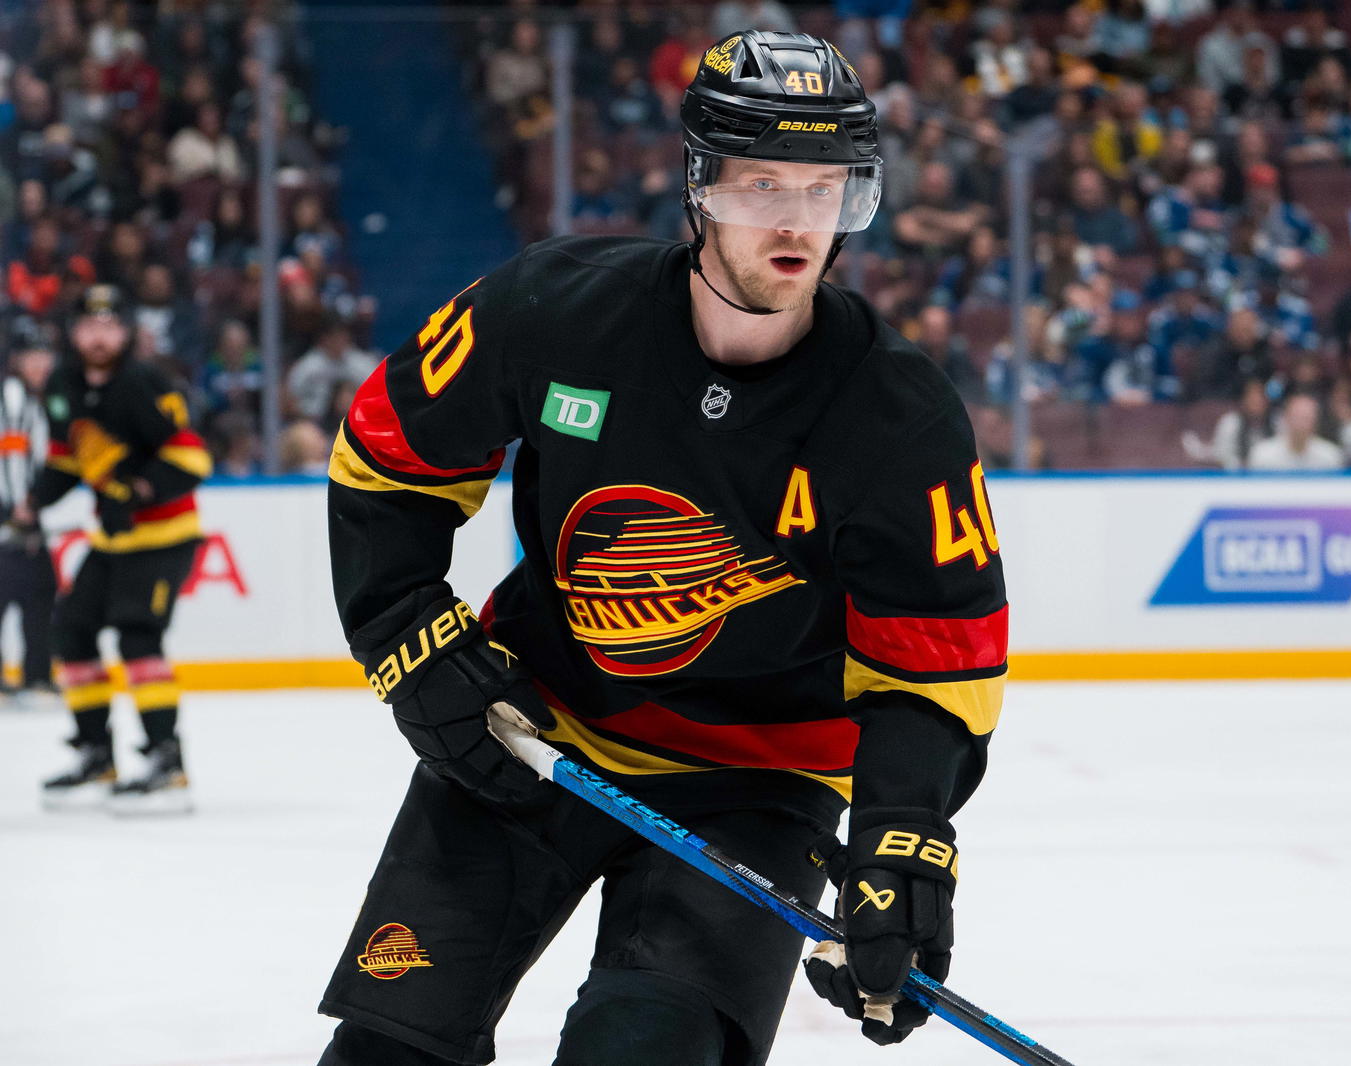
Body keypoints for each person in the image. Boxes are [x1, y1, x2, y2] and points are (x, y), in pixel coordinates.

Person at [316, 31, 1007, 1066]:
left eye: (823, 190)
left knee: (642, 1050)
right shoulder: (552, 310)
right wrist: (406, 630)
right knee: (386, 1055)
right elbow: (388, 457)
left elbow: (936, 662)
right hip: (526, 730)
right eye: (762, 183)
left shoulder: (897, 420)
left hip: (755, 782)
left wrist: (904, 841)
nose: (793, 221)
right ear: (698, 185)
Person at [13, 285, 211, 813]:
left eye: (109, 326)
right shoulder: (62, 384)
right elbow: (67, 457)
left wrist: (137, 492)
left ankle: (168, 764)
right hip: (112, 537)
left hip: (165, 536)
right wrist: (33, 503)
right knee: (71, 630)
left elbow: (192, 462)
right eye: (88, 327)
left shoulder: (145, 383)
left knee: (137, 634)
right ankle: (96, 754)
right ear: (73, 333)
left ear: (126, 332)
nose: (98, 337)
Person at [0, 328, 59, 705]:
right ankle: (36, 677)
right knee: (34, 589)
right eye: (31, 356)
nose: (40, 364)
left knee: (32, 591)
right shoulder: (13, 396)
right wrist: (21, 505)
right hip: (11, 515)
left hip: (16, 513)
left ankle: (35, 675)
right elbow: (11, 453)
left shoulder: (34, 399)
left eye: (44, 355)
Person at [1247, 391, 1345, 470]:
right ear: (1286, 418)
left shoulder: (1330, 456)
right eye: (1296, 417)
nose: (1301, 424)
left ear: (1315, 422)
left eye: (1306, 418)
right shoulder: (1262, 455)